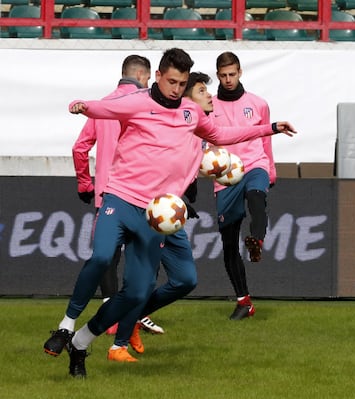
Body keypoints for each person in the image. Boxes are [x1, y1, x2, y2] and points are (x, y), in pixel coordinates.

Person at [44, 47, 296, 378]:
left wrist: (270, 128)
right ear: (158, 76)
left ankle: (80, 342)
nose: (176, 89)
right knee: (103, 256)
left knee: (135, 292)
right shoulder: (138, 102)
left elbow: (222, 135)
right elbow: (106, 108)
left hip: (154, 212)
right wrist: (81, 106)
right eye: (172, 82)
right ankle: (65, 325)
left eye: (181, 83)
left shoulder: (191, 113)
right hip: (120, 198)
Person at [71, 54, 164, 336]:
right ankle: (135, 312)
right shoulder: (146, 106)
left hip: (106, 194)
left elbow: (79, 148)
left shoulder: (102, 106)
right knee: (145, 255)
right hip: (140, 193)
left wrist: (85, 184)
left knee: (107, 257)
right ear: (142, 75)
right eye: (148, 78)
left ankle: (112, 316)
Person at [211, 51, 278, 321]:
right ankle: (244, 302)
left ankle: (257, 241)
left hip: (254, 165)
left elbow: (265, 139)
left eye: (232, 74)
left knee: (256, 197)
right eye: (223, 75)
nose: (228, 79)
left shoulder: (258, 104)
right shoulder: (209, 105)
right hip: (225, 176)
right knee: (228, 244)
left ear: (240, 73)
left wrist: (270, 169)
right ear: (218, 75)